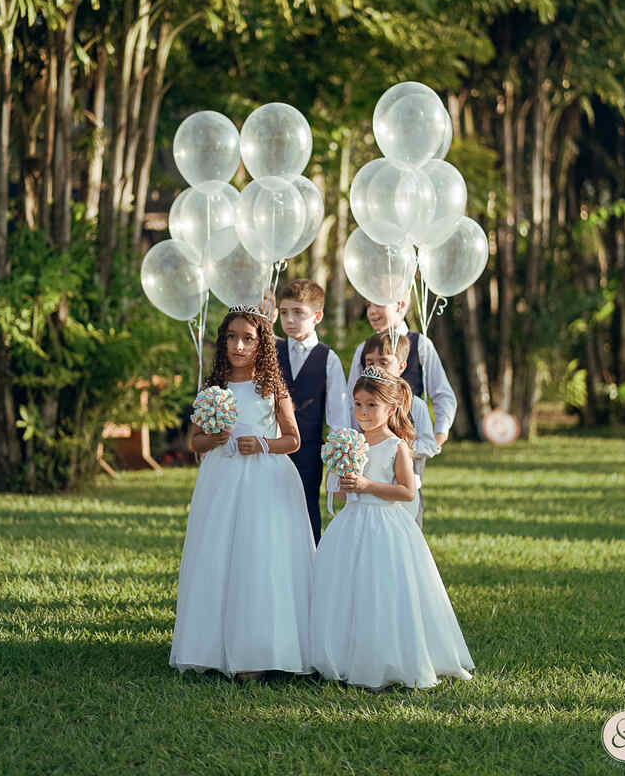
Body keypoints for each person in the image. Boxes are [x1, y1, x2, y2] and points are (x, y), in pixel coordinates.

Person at [170, 306, 315, 680]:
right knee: (219, 554)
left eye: (247, 338)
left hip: (264, 480)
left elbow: (294, 440)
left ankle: (261, 649)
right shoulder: (212, 388)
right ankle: (214, 647)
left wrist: (263, 444)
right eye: (232, 337)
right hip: (222, 480)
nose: (238, 345)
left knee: (261, 556)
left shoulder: (272, 387)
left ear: (261, 343)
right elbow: (194, 440)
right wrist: (212, 439)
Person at [310, 366, 475, 689]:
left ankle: (389, 656)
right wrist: (340, 480)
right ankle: (342, 654)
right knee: (346, 588)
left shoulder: (396, 446)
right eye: (358, 404)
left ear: (390, 407)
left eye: (371, 405)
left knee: (382, 589)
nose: (363, 412)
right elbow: (343, 491)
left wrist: (367, 485)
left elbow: (406, 491)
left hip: (384, 525)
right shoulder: (350, 442)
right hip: (351, 525)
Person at [275, 279, 350, 544]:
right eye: (284, 312)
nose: (290, 320)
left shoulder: (327, 358)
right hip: (271, 446)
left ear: (317, 316)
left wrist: (336, 462)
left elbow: (339, 415)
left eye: (298, 313)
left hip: (308, 450)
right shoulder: (271, 352)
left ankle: (310, 566)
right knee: (270, 509)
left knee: (306, 508)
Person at [347, 299, 456, 448]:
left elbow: (442, 394)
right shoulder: (363, 348)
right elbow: (351, 399)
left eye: (379, 303)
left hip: (411, 446)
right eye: (368, 305)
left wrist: (439, 436)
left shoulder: (420, 344)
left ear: (401, 305)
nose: (371, 311)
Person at [363, 331, 438, 528]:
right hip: (372, 485)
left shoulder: (416, 405)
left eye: (384, 362)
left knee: (407, 533)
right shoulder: (363, 405)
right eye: (370, 362)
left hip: (404, 486)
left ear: (401, 366)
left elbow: (429, 445)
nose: (376, 367)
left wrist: (401, 447)